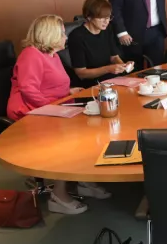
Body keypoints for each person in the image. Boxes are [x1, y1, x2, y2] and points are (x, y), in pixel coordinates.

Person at [7, 15, 109, 215]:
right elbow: (29, 90)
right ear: (50, 35)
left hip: (53, 107)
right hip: (30, 112)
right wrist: (54, 108)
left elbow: (52, 84)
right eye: (63, 33)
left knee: (92, 127)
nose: (66, 37)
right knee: (69, 139)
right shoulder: (31, 55)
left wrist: (68, 92)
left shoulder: (52, 54)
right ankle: (59, 196)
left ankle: (83, 180)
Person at [67, 0, 129, 88]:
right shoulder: (76, 36)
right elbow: (81, 73)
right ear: (89, 17)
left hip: (110, 79)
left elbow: (114, 57)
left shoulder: (107, 29)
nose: (106, 22)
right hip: (90, 84)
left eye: (108, 17)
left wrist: (123, 66)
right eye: (101, 18)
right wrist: (108, 69)